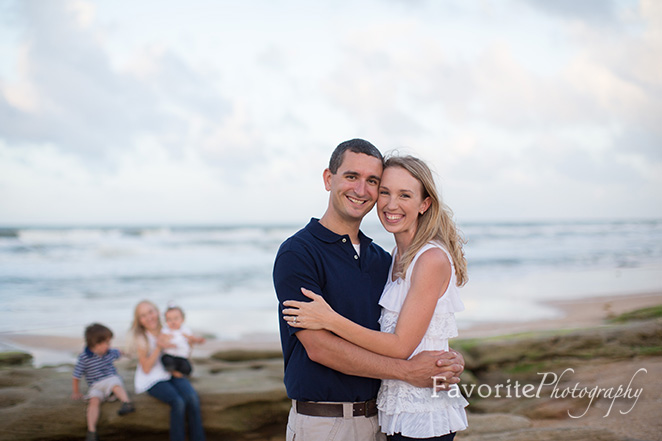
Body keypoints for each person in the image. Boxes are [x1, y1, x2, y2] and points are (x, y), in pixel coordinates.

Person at [273, 139, 465, 441]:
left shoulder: (381, 260)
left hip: (383, 420)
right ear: (328, 179)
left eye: (372, 181)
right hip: (324, 424)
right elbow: (319, 348)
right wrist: (408, 372)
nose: (361, 190)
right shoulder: (298, 253)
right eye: (351, 176)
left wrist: (445, 356)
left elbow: (405, 335)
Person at [129, 300, 206, 441]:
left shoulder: (170, 327)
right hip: (152, 378)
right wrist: (159, 346)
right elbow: (146, 368)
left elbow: (183, 354)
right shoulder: (142, 338)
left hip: (171, 372)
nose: (149, 317)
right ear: (139, 320)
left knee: (193, 398)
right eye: (143, 315)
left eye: (151, 312)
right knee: (178, 401)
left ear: (158, 312)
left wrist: (189, 345)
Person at [71, 323, 135, 441]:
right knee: (93, 402)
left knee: (115, 385)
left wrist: (126, 353)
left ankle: (127, 403)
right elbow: (76, 376)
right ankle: (91, 431)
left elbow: (119, 352)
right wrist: (76, 392)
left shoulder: (110, 352)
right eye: (107, 343)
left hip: (110, 378)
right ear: (96, 344)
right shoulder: (84, 357)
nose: (109, 345)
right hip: (95, 385)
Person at [161, 304, 206, 377]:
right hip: (169, 355)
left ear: (182, 319)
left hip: (182, 356)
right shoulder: (166, 330)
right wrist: (166, 344)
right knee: (166, 361)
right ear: (165, 321)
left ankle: (180, 373)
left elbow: (192, 338)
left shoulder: (185, 330)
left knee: (187, 368)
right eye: (169, 319)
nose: (173, 322)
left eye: (176, 319)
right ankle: (173, 372)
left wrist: (198, 340)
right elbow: (160, 341)